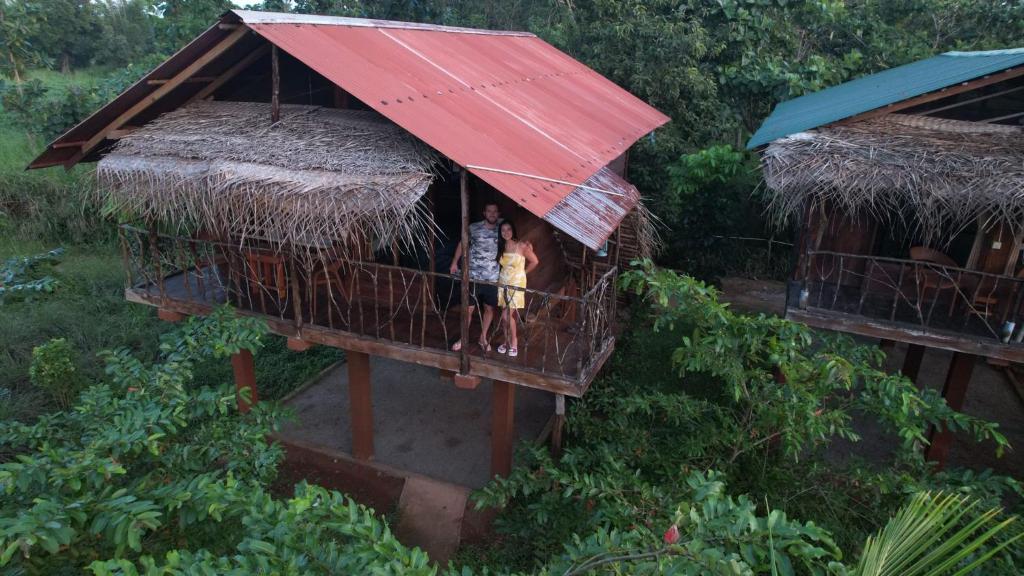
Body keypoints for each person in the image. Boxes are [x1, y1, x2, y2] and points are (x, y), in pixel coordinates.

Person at [450, 202, 501, 351]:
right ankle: (463, 338)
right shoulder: (474, 227)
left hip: (491, 277)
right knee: (468, 309)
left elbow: (513, 241)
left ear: (498, 213)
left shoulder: (502, 229)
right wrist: (454, 262)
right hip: (471, 275)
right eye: (489, 211)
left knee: (489, 309)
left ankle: (483, 338)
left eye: (495, 211)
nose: (492, 214)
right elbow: (462, 244)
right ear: (484, 213)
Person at [495, 220, 538, 357]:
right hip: (503, 282)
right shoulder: (501, 245)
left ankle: (514, 341)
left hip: (516, 283)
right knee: (505, 316)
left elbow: (535, 261)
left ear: (513, 230)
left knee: (506, 315)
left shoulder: (521, 246)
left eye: (508, 229)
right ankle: (506, 341)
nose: (506, 232)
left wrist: (523, 273)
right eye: (503, 230)